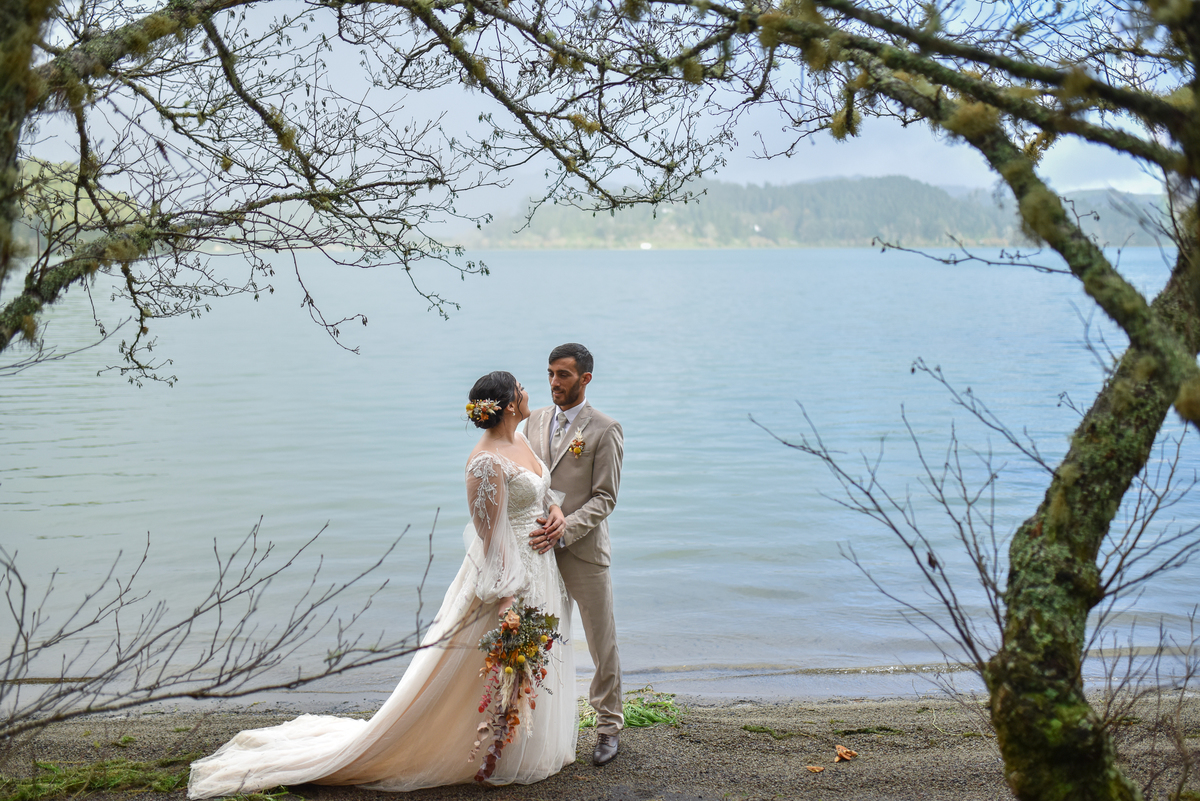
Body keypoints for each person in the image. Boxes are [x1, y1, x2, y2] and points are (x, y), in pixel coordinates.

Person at [187, 371, 577, 798]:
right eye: (521, 389)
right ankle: (485, 749)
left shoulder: (520, 440)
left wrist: (556, 512)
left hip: (540, 564)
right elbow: (490, 535)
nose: (528, 393)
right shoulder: (484, 462)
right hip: (508, 576)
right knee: (491, 666)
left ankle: (525, 746)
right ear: (507, 404)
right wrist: (507, 596)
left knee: (537, 656)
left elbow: (540, 491)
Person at [523, 343, 624, 766]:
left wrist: (567, 527)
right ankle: (533, 725)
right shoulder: (533, 421)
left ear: (585, 378)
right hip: (537, 550)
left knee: (601, 642)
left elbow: (606, 497)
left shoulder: (605, 429)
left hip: (583, 552)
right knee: (534, 636)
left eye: (563, 375)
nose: (554, 382)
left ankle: (608, 727)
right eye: (550, 373)